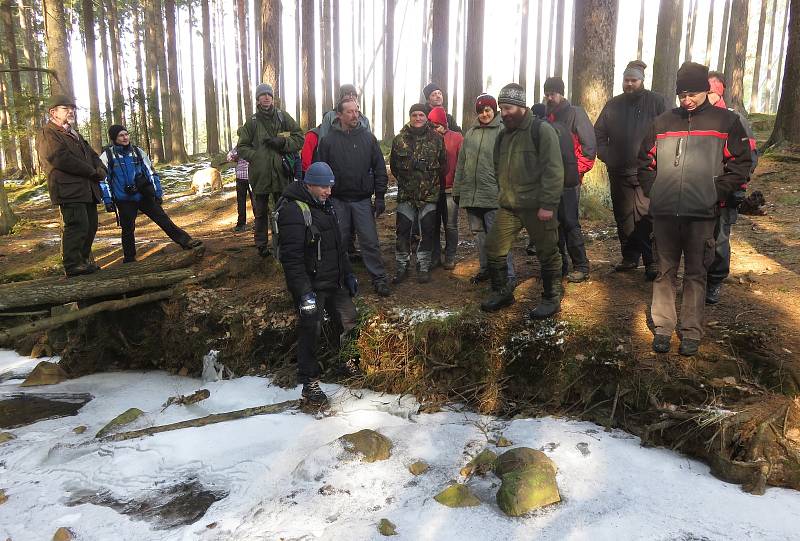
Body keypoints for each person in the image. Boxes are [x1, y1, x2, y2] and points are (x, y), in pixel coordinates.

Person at [638, 62, 753, 356]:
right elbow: (644, 162)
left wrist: (715, 193)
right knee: (664, 272)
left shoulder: (726, 122)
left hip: (702, 214)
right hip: (664, 214)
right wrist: (656, 191)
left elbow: (740, 164)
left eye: (693, 94)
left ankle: (690, 331)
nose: (686, 100)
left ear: (705, 90)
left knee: (696, 273)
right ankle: (663, 328)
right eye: (682, 95)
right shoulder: (662, 123)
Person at [276, 162, 360, 406]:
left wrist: (348, 275)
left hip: (333, 280)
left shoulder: (326, 206)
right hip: (311, 285)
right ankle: (309, 384)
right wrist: (304, 294)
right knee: (310, 331)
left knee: (348, 318)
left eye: (330, 186)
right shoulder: (293, 211)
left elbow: (338, 247)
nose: (328, 191)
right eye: (323, 186)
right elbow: (291, 259)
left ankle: (345, 362)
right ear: (309, 184)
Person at [482, 83, 564, 318]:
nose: (503, 113)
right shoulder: (503, 135)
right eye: (501, 108)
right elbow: (498, 165)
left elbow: (554, 169)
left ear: (521, 107)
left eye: (507, 108)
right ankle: (502, 292)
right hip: (509, 205)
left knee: (547, 252)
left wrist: (548, 205)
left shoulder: (541, 130)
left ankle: (551, 298)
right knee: (494, 248)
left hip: (538, 206)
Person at [594, 60, 669, 281]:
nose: (629, 84)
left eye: (633, 80)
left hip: (648, 172)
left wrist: (659, 160)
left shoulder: (657, 102)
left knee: (647, 217)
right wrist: (607, 155)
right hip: (619, 172)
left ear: (641, 81)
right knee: (624, 218)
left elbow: (669, 131)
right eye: (626, 80)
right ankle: (629, 257)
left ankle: (652, 262)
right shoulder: (613, 105)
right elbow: (599, 134)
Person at [315, 98, 392, 297]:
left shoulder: (368, 138)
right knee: (337, 241)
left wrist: (380, 196)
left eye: (356, 111)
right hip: (337, 200)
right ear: (339, 115)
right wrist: (322, 199)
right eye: (349, 112)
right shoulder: (328, 141)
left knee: (370, 241)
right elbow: (320, 171)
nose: (355, 115)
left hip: (362, 200)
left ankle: (379, 278)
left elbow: (379, 169)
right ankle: (337, 280)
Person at [99, 125, 201, 263]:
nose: (125, 138)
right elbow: (103, 180)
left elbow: (151, 172)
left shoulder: (137, 152)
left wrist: (157, 192)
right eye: (121, 136)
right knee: (128, 229)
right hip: (124, 199)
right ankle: (129, 259)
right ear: (114, 139)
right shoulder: (107, 156)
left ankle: (186, 241)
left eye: (126, 134)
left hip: (143, 195)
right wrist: (108, 200)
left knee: (163, 219)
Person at [36, 94, 107, 277]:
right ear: (53, 112)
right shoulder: (48, 133)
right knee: (77, 225)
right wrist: (91, 172)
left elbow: (91, 154)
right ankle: (73, 265)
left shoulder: (74, 133)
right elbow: (60, 158)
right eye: (65, 108)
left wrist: (100, 168)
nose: (71, 111)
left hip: (86, 189)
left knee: (91, 225)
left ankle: (83, 261)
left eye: (72, 108)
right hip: (68, 189)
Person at [705, 71, 759, 305]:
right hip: (699, 192)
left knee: (719, 238)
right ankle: (697, 280)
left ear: (718, 93)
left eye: (709, 93)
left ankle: (714, 281)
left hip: (726, 193)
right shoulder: (696, 119)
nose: (705, 98)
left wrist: (733, 185)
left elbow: (749, 158)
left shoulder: (735, 120)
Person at [235, 83, 304, 257]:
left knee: (284, 210)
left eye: (269, 95)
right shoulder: (251, 122)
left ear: (273, 98)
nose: (266, 97)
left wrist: (283, 143)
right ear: (258, 99)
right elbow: (242, 147)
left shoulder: (282, 117)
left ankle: (284, 243)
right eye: (263, 95)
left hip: (282, 173)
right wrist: (257, 156)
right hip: (260, 175)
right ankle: (261, 245)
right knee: (260, 212)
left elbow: (299, 137)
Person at [453, 94, 516, 285]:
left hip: (494, 195)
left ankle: (508, 275)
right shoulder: (470, 132)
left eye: (488, 110)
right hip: (472, 195)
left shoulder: (503, 131)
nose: (484, 114)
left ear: (494, 110)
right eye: (481, 111)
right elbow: (461, 164)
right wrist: (457, 190)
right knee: (479, 236)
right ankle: (486, 268)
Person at [543, 76, 596, 283]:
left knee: (570, 222)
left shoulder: (575, 113)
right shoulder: (546, 117)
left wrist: (576, 172)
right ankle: (561, 264)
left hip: (570, 181)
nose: (549, 97)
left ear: (561, 93)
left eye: (553, 93)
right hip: (549, 181)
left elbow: (589, 148)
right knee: (554, 223)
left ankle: (581, 265)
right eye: (547, 94)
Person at [389, 104, 447, 284]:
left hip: (429, 195)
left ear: (426, 117)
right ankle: (402, 266)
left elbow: (443, 165)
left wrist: (430, 184)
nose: (418, 118)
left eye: (421, 114)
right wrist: (408, 183)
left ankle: (423, 266)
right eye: (414, 114)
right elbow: (394, 166)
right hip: (406, 195)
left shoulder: (436, 139)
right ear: (410, 117)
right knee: (403, 231)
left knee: (428, 232)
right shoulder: (399, 140)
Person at [427, 106, 464, 270]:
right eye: (432, 125)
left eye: (437, 125)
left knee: (450, 225)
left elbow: (463, 163)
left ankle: (450, 255)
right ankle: (435, 256)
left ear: (443, 123)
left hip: (450, 190)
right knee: (433, 225)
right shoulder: (428, 138)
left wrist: (459, 185)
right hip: (433, 190)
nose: (434, 129)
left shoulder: (456, 138)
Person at [226, 147, 253, 232]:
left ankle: (241, 224)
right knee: (250, 201)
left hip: (247, 177)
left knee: (244, 201)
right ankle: (243, 224)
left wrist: (235, 157)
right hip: (247, 177)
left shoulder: (240, 146)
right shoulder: (248, 145)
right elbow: (229, 157)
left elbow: (230, 157)